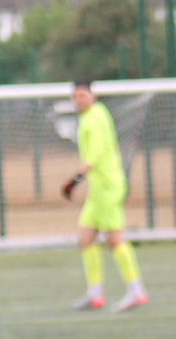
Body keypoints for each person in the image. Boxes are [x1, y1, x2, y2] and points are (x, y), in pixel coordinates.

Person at [62, 80, 149, 314]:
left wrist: (74, 180)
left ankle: (137, 290)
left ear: (93, 96)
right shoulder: (95, 114)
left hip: (108, 187)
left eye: (83, 95)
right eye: (76, 96)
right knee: (86, 238)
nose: (79, 99)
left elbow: (95, 155)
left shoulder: (95, 118)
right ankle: (95, 294)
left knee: (115, 239)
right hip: (98, 189)